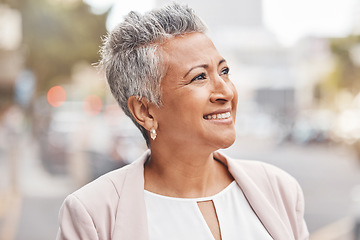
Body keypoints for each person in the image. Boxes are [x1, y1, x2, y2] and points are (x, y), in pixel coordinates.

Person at [56, 3, 309, 240]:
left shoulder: (279, 189)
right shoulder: (93, 214)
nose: (226, 92)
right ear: (144, 111)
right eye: (199, 77)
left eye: (224, 72)